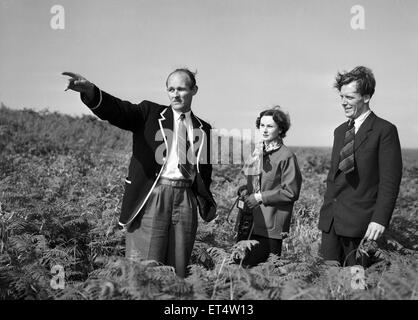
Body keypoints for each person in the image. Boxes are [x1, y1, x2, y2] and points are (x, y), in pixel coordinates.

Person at [62, 69, 217, 278]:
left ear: (194, 90)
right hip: (153, 195)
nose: (175, 94)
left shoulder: (203, 128)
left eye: (181, 89)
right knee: (145, 269)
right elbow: (119, 111)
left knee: (178, 270)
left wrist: (206, 202)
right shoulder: (149, 113)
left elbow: (204, 171)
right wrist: (91, 91)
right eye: (171, 89)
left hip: (185, 201)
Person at [318, 66, 403, 267]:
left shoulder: (385, 130)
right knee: (329, 284)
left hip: (362, 226)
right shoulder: (340, 131)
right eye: (341, 97)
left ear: (366, 97)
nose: (343, 102)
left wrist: (379, 220)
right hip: (331, 224)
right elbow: (334, 177)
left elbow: (390, 182)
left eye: (349, 97)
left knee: (357, 284)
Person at [237, 106, 302, 267]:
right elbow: (249, 180)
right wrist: (244, 189)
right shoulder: (257, 151)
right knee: (242, 270)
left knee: (265, 274)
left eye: (270, 126)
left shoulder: (286, 156)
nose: (264, 130)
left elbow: (291, 192)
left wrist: (260, 197)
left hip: (270, 226)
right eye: (262, 125)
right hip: (249, 220)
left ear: (280, 129)